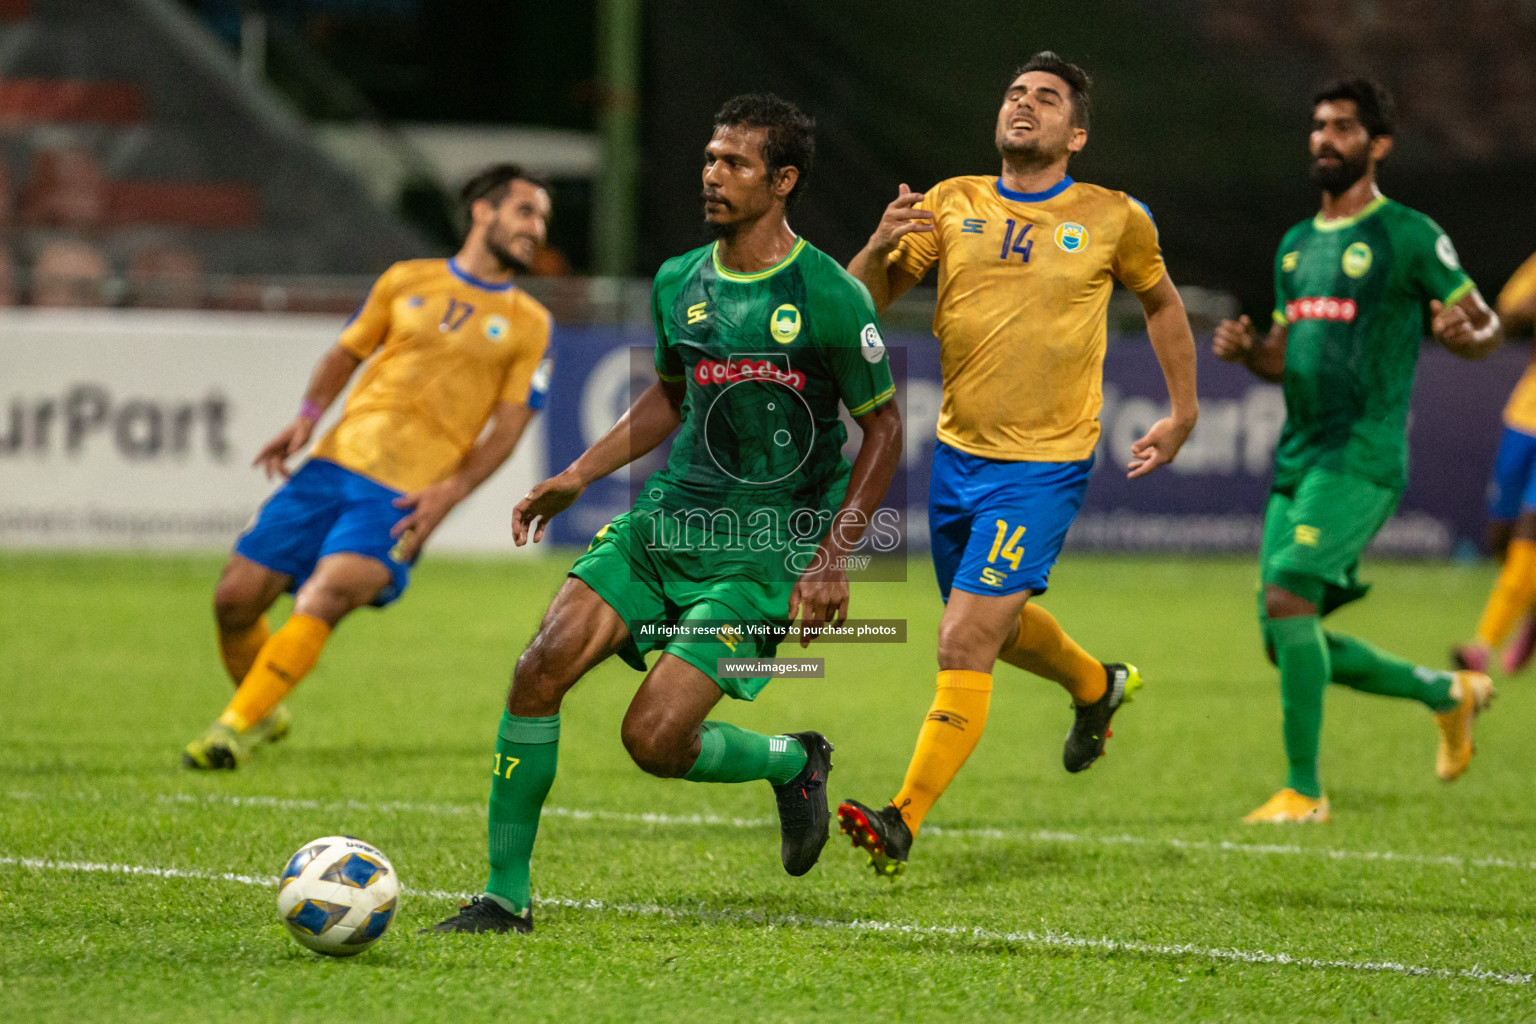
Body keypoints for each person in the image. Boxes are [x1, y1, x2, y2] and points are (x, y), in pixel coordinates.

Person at [430, 94, 903, 934]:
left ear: (783, 180)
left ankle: (792, 759)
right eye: (710, 159)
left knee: (652, 739)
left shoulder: (830, 294)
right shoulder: (678, 280)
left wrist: (833, 558)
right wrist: (577, 473)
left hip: (764, 548)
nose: (712, 176)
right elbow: (671, 394)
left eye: (735, 164)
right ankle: (506, 896)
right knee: (540, 667)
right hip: (667, 525)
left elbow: (885, 427)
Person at [836, 52, 1200, 878]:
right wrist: (875, 245)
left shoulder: (1114, 216)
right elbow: (860, 306)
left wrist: (1184, 411)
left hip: (1044, 463)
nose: (1023, 105)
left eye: (1045, 98)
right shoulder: (949, 202)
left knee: (964, 634)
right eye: (1013, 94)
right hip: (960, 455)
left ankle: (901, 820)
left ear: (1076, 133)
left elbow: (1164, 303)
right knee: (994, 629)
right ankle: (1095, 686)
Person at [182, 164, 555, 769]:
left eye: (542, 218)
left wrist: (449, 493)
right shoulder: (406, 281)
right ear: (483, 212)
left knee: (326, 595)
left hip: (403, 494)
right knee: (234, 601)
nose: (536, 229)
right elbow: (346, 352)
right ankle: (265, 709)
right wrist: (306, 418)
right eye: (525, 212)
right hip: (330, 467)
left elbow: (509, 429)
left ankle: (231, 729)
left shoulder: (530, 324)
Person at [1213, 78, 1503, 823]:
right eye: (1318, 126)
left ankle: (1304, 791)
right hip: (1299, 456)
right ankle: (1449, 693)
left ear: (1378, 146)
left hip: (1363, 454)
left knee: (1288, 596)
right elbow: (1284, 353)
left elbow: (1482, 320)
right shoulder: (1295, 246)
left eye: (1342, 127)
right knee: (1286, 637)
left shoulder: (1406, 232)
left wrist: (1472, 337)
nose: (1323, 139)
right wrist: (1253, 352)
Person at [1453, 252, 1536, 674]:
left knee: (1530, 530)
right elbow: (1507, 316)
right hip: (1525, 415)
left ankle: (1482, 645)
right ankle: (1532, 612)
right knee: (1501, 533)